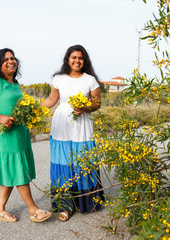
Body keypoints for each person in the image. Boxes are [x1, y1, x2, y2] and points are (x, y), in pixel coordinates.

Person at [0, 48, 52, 223]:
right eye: (6, 59)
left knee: (11, 170)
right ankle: (33, 210)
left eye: (13, 58)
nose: (11, 61)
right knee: (17, 170)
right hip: (4, 136)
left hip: (18, 133)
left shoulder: (15, 84)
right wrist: (0, 117)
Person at [42, 44, 104, 221]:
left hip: (82, 124)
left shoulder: (90, 80)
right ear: (68, 59)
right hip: (61, 124)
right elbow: (52, 100)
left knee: (83, 161)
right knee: (63, 162)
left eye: (80, 58)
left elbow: (96, 104)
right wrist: (33, 109)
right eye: (74, 57)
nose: (77, 61)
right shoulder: (58, 78)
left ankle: (86, 202)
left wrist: (85, 108)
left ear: (84, 61)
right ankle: (65, 206)